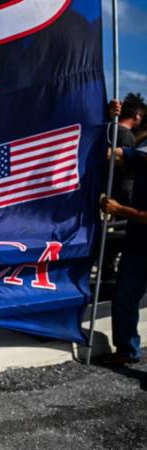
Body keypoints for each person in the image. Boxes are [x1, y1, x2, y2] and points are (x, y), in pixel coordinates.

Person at [102, 133, 147, 366]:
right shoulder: (141, 159)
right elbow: (115, 154)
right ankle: (127, 349)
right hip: (137, 245)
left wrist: (119, 209)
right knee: (124, 298)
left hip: (139, 240)